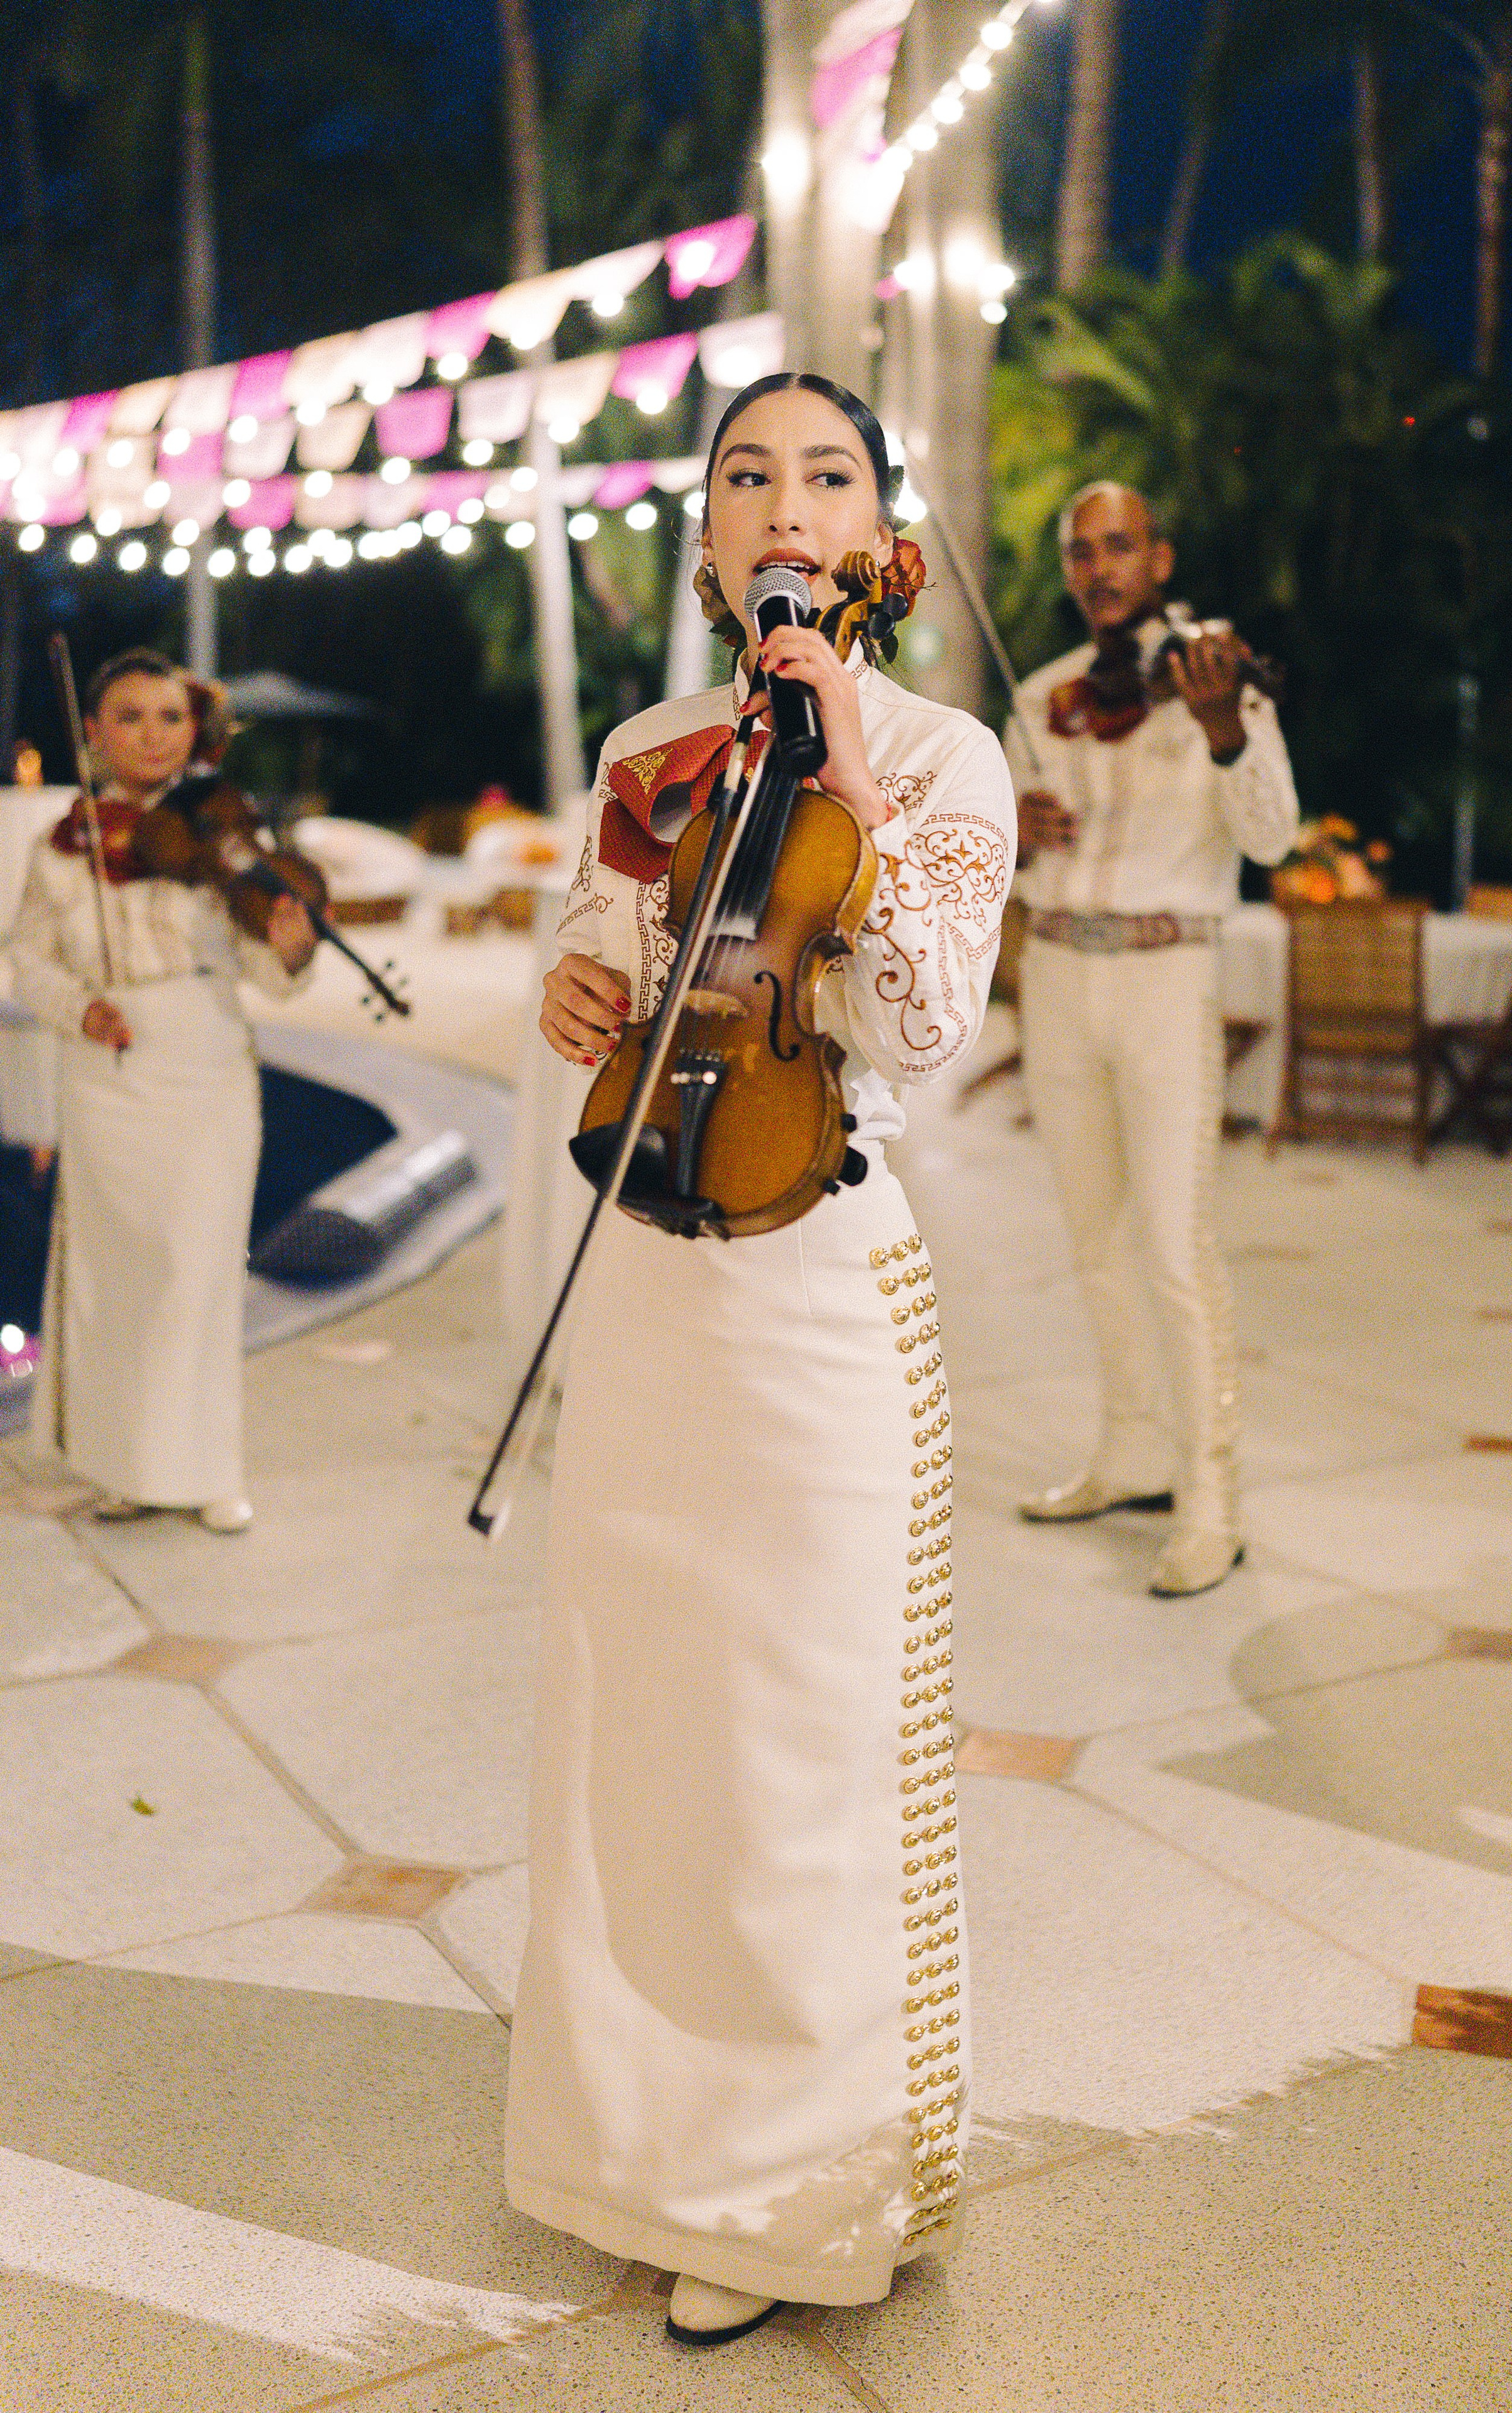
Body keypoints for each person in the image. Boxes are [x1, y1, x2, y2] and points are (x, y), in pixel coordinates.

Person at [504, 372, 1016, 2345]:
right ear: (707, 536)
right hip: (645, 1264)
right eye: (745, 475)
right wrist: (575, 979)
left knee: (798, 1742)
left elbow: (924, 1014)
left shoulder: (941, 746)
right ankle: (643, 2154)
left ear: (869, 525)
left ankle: (799, 2203)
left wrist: (852, 801)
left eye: (826, 473)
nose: (781, 502)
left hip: (817, 1280)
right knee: (636, 1717)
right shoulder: (648, 747)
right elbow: (611, 963)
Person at [1007, 482, 1298, 1598]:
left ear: (1160, 558)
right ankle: (1127, 1449)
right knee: (1092, 1239)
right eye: (1082, 552)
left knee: (1174, 1246)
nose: (1100, 568)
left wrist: (1224, 728)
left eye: (1120, 545)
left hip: (1172, 972)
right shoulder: (1043, 696)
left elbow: (1273, 835)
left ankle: (1209, 1492)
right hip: (1061, 974)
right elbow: (1004, 867)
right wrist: (1010, 829)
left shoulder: (1212, 678)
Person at [8, 647, 316, 1530]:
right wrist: (79, 1007)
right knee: (119, 1277)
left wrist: (291, 941)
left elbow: (269, 972)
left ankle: (208, 1467)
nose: (152, 734)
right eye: (131, 717)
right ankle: (128, 1469)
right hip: (106, 1074)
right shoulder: (62, 846)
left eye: (171, 717)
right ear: (97, 734)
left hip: (208, 1065)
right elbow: (27, 959)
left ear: (196, 730)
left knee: (200, 1270)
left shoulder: (224, 835)